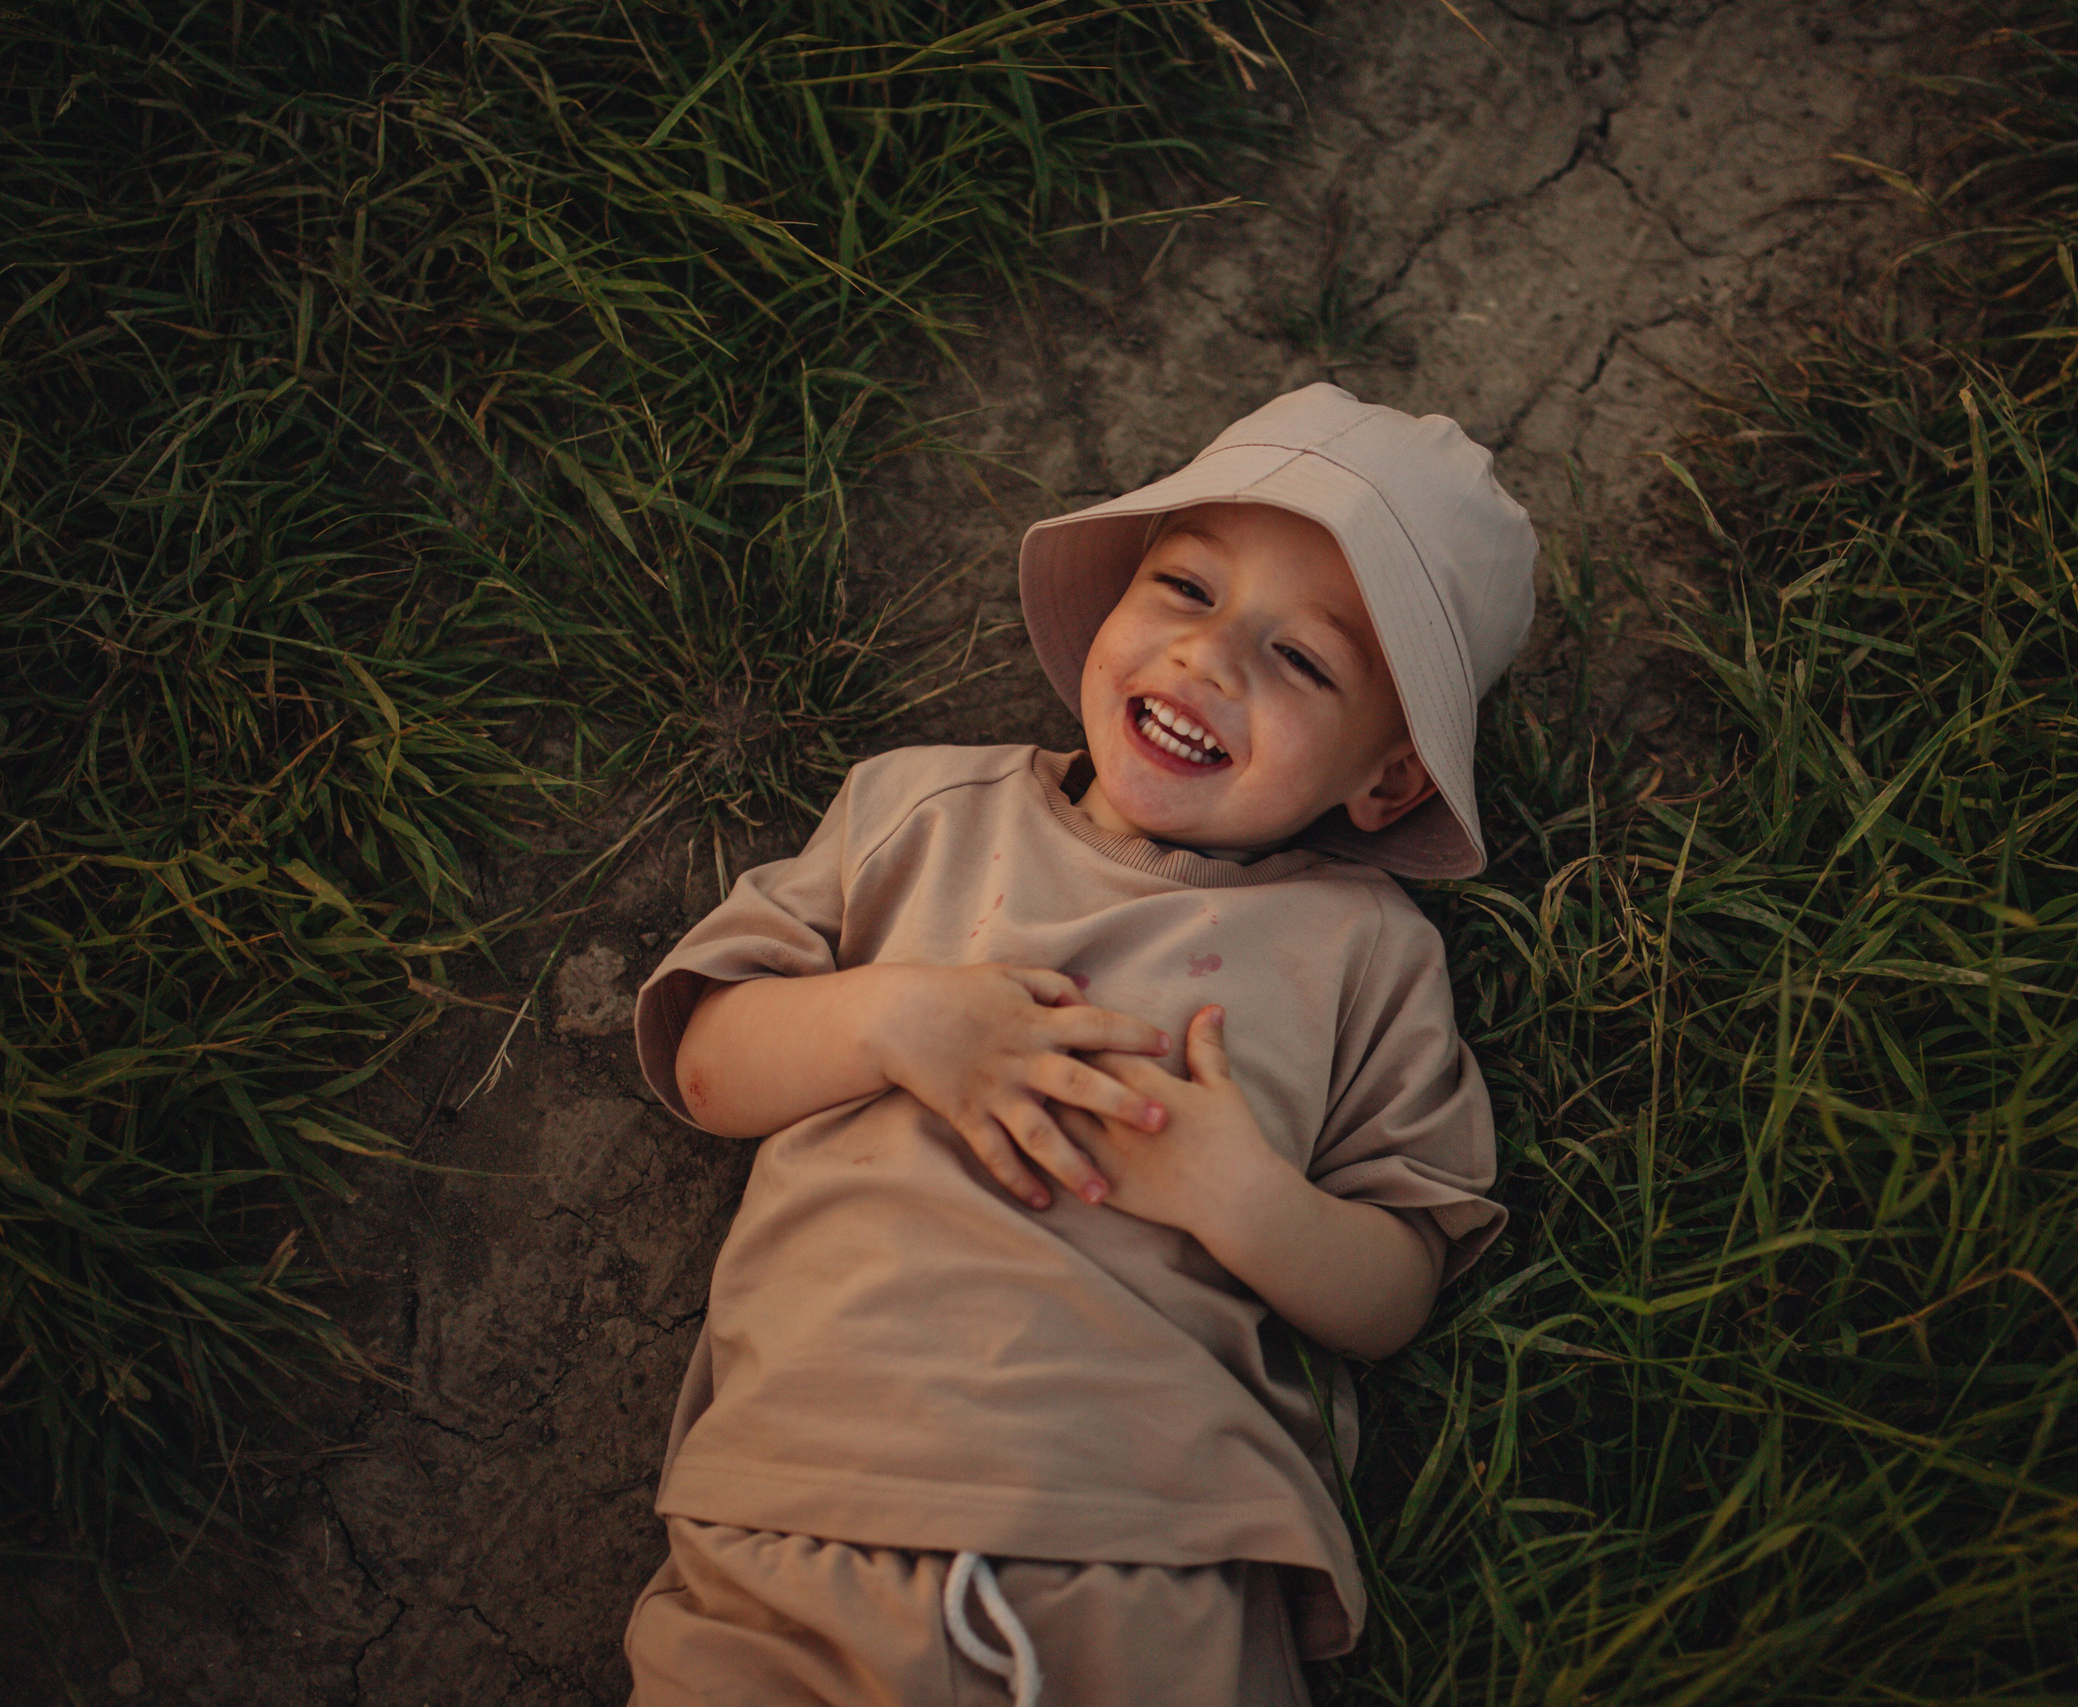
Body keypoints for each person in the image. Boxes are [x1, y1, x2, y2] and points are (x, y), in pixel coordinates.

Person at [624, 383, 1537, 1706]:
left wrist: (1243, 1198)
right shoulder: (919, 809)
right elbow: (709, 1060)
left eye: (1303, 661)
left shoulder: (1365, 951)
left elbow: (1396, 1291)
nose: (1210, 658)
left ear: (1386, 779)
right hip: (804, 1503)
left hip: (1163, 1551)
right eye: (1187, 588)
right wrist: (894, 1017)